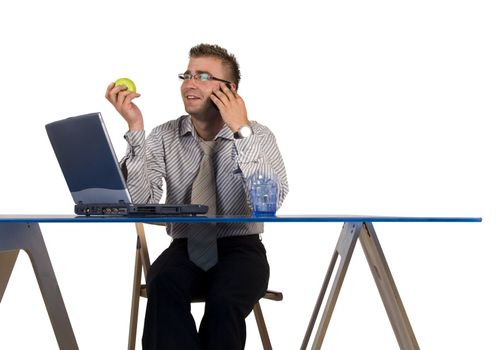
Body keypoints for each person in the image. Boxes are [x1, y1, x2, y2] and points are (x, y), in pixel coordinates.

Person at [105, 43, 288, 350]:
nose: (189, 83)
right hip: (185, 249)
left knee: (224, 299)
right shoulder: (165, 135)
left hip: (241, 251)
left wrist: (241, 130)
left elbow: (266, 204)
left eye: (202, 76)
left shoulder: (257, 136)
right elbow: (141, 204)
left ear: (229, 90)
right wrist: (135, 127)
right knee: (162, 286)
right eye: (187, 75)